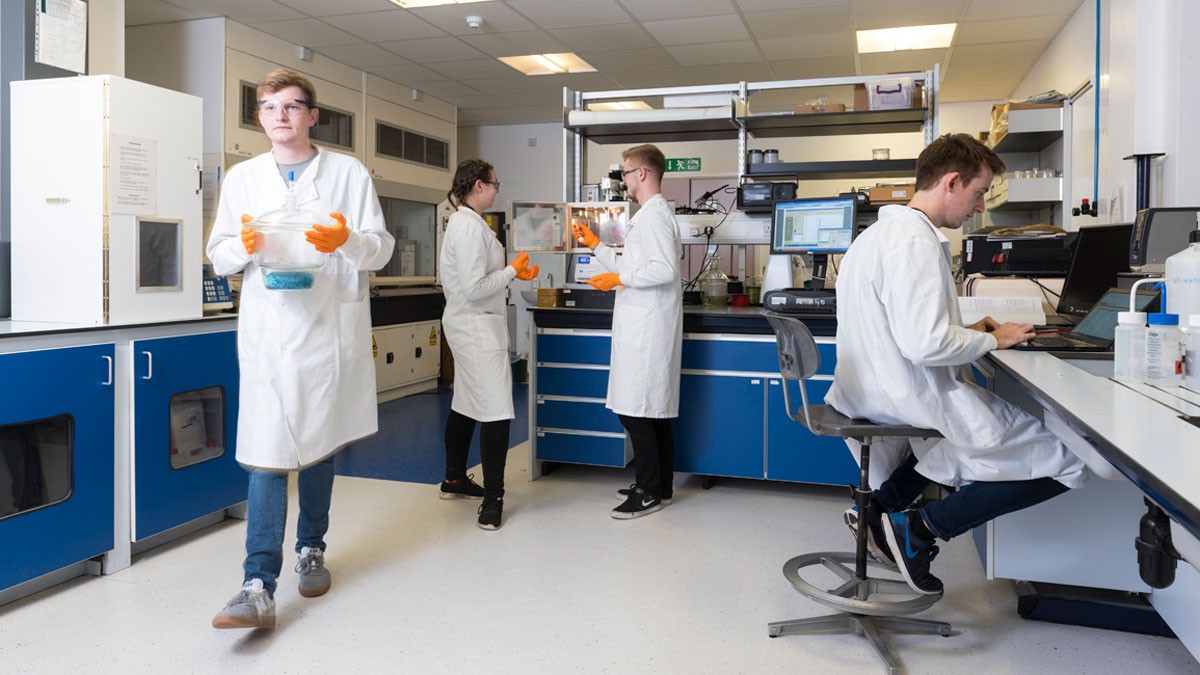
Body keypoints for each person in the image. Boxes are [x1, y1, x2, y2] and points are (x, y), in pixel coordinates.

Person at [826, 133, 1088, 595]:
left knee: (948, 445)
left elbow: (900, 319)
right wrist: (993, 340)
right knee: (1068, 459)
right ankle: (921, 529)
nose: (980, 206)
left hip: (867, 389)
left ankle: (877, 509)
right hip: (904, 393)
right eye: (980, 191)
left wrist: (975, 330)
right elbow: (925, 344)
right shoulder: (916, 242)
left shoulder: (876, 236)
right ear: (951, 182)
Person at [206, 68, 394, 629]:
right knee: (266, 452)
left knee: (318, 443)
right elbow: (218, 255)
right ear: (259, 116)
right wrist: (239, 246)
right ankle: (256, 584)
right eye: (267, 107)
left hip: (324, 330)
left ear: (312, 115)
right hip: (269, 333)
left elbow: (379, 248)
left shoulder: (348, 173)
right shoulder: (243, 178)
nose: (279, 116)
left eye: (290, 106)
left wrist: (349, 241)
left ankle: (311, 547)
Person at [572, 144, 683, 519]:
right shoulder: (649, 215)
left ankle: (649, 489)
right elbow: (634, 262)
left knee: (637, 412)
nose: (623, 180)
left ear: (643, 174)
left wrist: (619, 277)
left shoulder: (654, 217)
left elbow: (663, 269)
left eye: (625, 173)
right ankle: (660, 486)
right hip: (644, 325)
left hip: (647, 330)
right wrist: (595, 245)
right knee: (651, 413)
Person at [439, 159, 538, 530]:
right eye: (496, 184)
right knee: (496, 410)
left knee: (465, 403)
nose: (499, 189)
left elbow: (478, 279)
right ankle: (494, 500)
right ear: (478, 186)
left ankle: (453, 479)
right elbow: (474, 289)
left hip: (474, 325)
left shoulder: (471, 224)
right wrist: (513, 270)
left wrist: (510, 272)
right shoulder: (466, 227)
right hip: (475, 328)